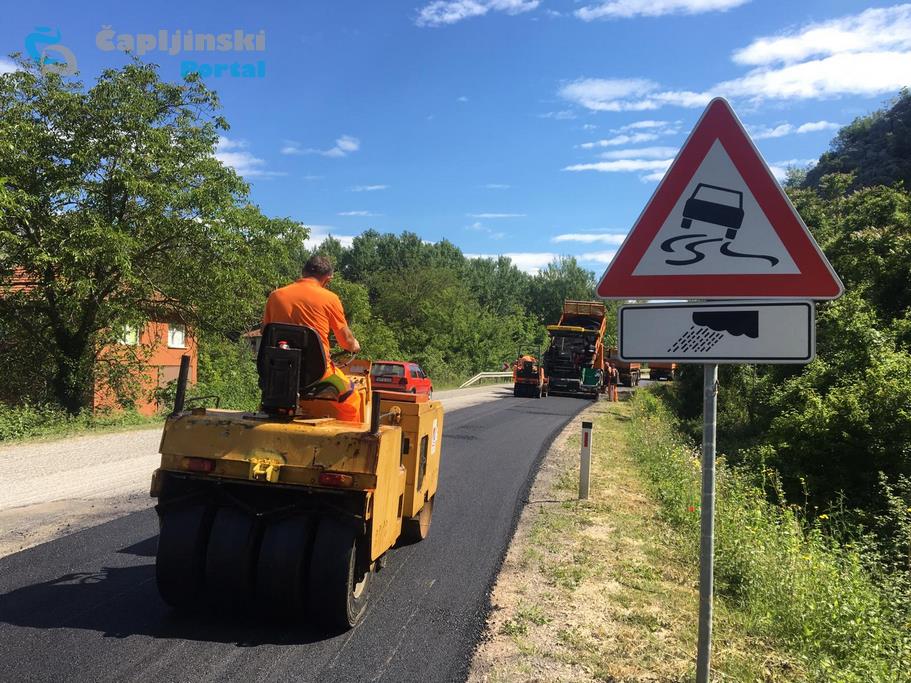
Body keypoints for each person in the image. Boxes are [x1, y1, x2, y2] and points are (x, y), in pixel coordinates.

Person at [262, 255, 363, 422]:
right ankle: (349, 436)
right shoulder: (330, 298)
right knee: (352, 397)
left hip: (278, 370)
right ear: (328, 279)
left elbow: (265, 331)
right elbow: (346, 341)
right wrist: (354, 346)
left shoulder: (275, 296)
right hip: (319, 374)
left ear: (303, 272)